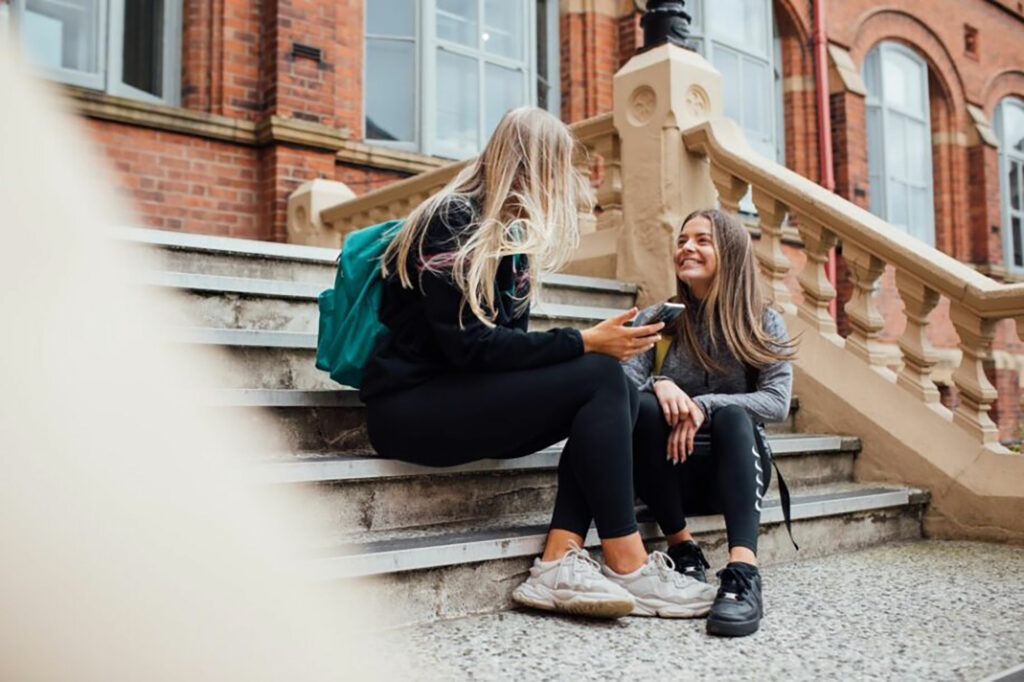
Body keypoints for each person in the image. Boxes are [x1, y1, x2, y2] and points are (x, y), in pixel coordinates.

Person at [359, 107, 718, 619]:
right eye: (560, 167)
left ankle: (559, 558)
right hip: (410, 408)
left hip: (463, 399)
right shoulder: (451, 219)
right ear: (533, 166)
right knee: (597, 375)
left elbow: (509, 353)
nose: (566, 183)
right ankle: (627, 561)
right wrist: (585, 343)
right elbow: (469, 348)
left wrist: (598, 345)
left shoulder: (514, 241)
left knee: (623, 396)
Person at [623, 208, 796, 636]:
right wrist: (660, 384)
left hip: (732, 477)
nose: (687, 248)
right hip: (666, 477)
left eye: (702, 240)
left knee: (736, 416)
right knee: (643, 408)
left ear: (730, 252)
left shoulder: (760, 320)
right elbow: (619, 393)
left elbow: (777, 402)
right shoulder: (658, 320)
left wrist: (704, 405)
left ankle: (743, 572)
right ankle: (683, 548)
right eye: (683, 240)